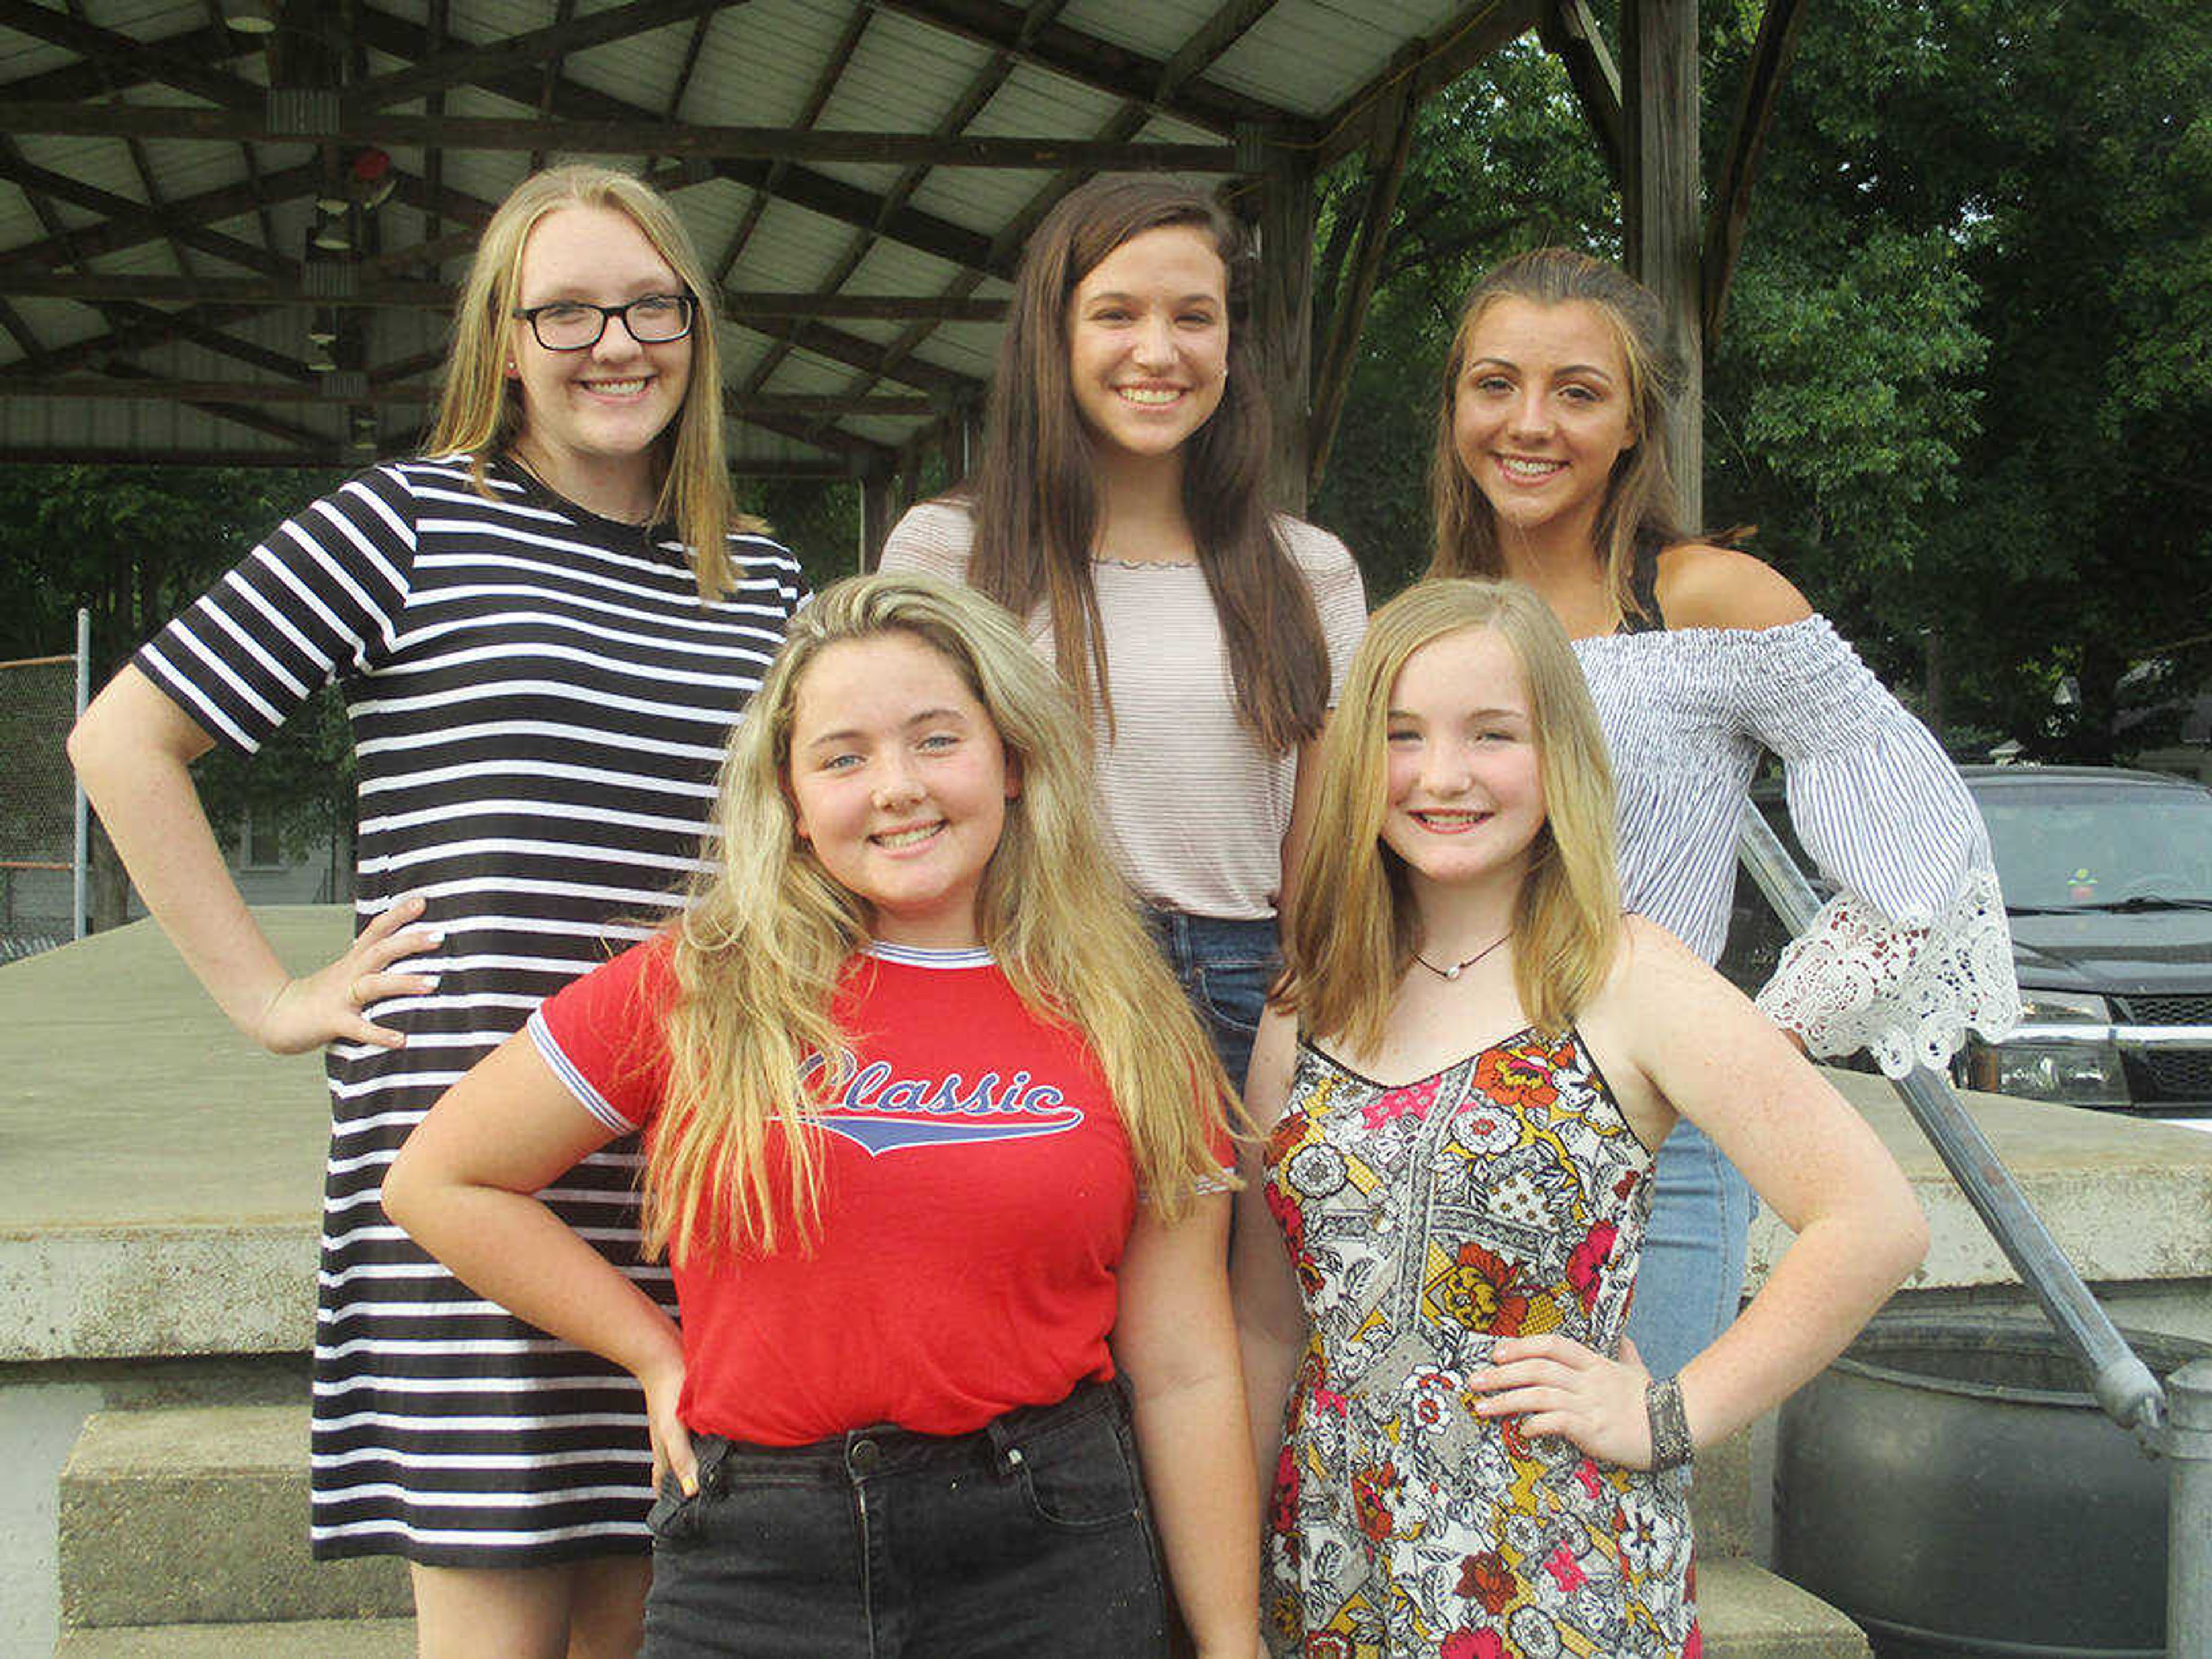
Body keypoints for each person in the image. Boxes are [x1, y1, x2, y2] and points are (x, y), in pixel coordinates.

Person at [67, 165, 808, 1657]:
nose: (615, 343)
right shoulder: (406, 525)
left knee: (655, 1626)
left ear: (697, 328)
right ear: (503, 342)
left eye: (650, 305)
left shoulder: (769, 578)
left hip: (689, 1181)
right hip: (476, 1183)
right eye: (568, 312)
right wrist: (274, 999)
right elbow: (123, 739)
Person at [382, 571, 1261, 1659]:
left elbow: (1183, 1365)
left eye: (937, 741)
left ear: (1016, 761)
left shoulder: (1130, 1017)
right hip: (753, 1553)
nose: (895, 788)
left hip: (1048, 1546)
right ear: (793, 807)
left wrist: (1230, 1639)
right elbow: (438, 1180)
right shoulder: (701, 984)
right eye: (843, 759)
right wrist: (657, 1356)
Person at [1232, 578, 1929, 1656]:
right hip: (1335, 1553)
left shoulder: (1629, 974)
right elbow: (1267, 1320)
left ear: (1560, 756)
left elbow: (1872, 1221)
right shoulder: (1311, 997)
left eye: (1492, 735)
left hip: (1550, 1563)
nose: (1443, 776)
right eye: (1402, 735)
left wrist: (1671, 1414)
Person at [1426, 248, 2017, 1381]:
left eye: (1579, 392)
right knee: (1463, 1503)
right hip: (1444, 1114)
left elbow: (1928, 854)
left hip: (1655, 1136)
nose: (1530, 422)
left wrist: (1758, 1036)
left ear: (1637, 425)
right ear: (1457, 403)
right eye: (1495, 383)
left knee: (1617, 1501)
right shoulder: (1425, 621)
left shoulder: (1706, 602)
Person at [878, 175, 1367, 1088]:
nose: (1157, 351)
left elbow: (1323, 844)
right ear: (1055, 337)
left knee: (1241, 1237)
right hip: (1029, 971)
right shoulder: (949, 550)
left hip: (1246, 987)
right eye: (1115, 315)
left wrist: (1307, 1006)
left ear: (1230, 344)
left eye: (1193, 317)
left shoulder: (1313, 570)